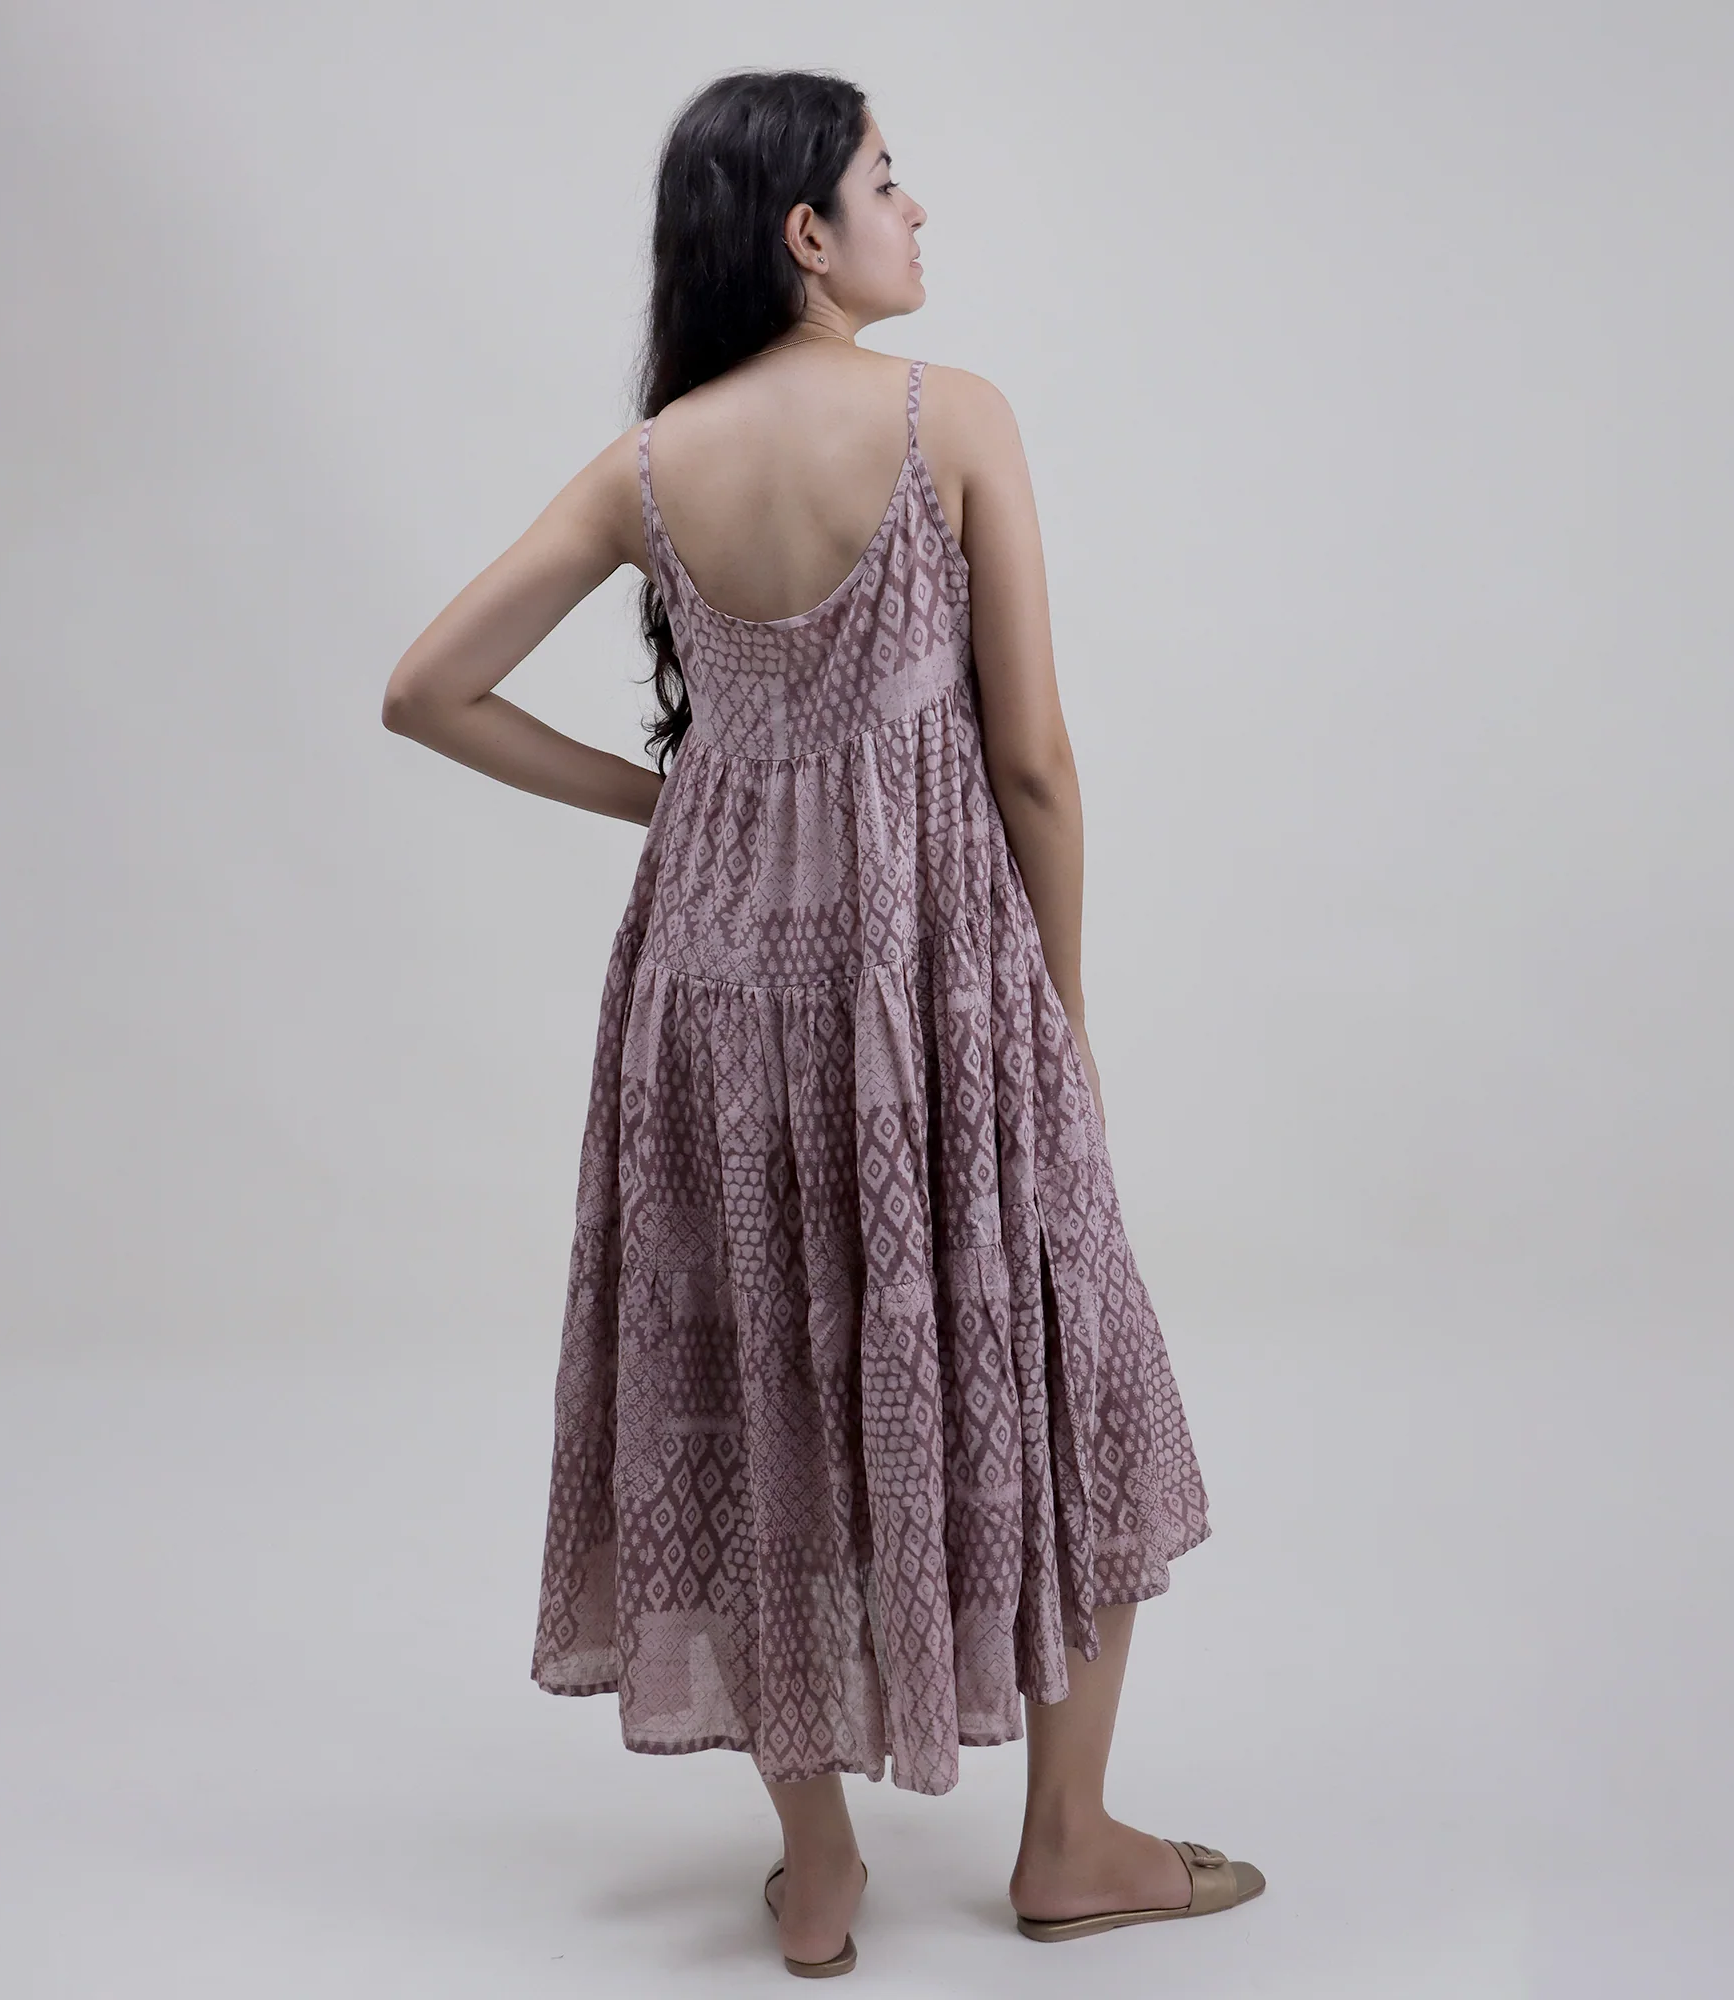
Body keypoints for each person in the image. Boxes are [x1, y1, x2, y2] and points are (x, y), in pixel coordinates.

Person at [382, 66, 1261, 1980]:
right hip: (931, 975)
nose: (915, 210)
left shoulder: (647, 468)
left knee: (764, 1381)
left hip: (711, 995)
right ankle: (1066, 1841)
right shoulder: (955, 419)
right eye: (886, 180)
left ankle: (822, 1871)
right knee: (1070, 1364)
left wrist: (677, 806)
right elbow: (1032, 763)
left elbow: (427, 688)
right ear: (806, 231)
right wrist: (1062, 1014)